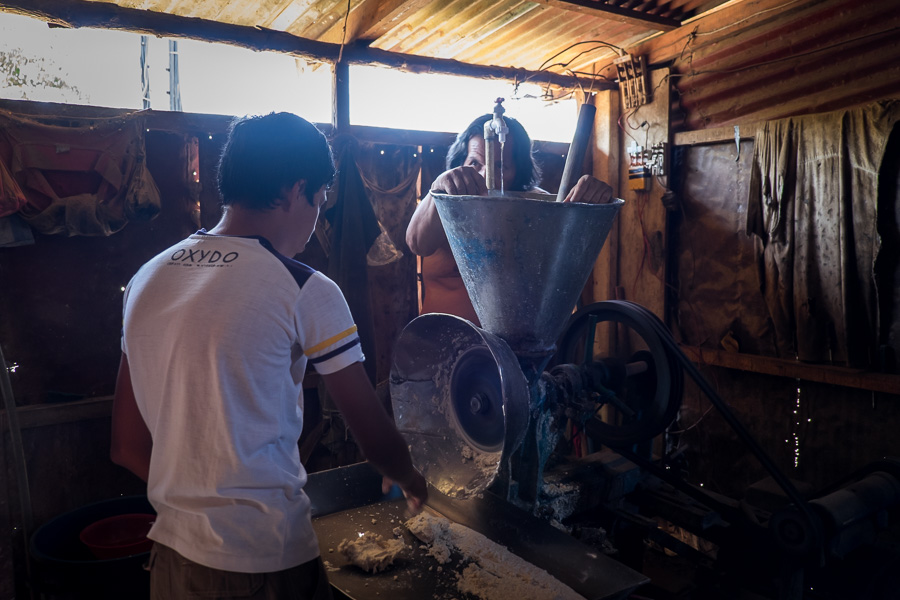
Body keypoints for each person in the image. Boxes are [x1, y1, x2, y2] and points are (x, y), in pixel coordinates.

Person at [110, 112, 427, 600]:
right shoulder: (304, 288)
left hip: (171, 560)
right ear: (296, 190)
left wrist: (197, 498)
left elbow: (127, 446)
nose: (316, 218)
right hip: (261, 563)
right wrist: (411, 479)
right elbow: (375, 442)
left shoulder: (147, 278)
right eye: (320, 201)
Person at [406, 113, 614, 324]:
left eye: (500, 166)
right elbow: (417, 244)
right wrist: (439, 187)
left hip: (515, 349)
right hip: (441, 345)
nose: (486, 176)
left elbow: (568, 259)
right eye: (475, 163)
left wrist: (592, 197)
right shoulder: (442, 197)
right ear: (461, 162)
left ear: (519, 170)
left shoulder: (534, 206)